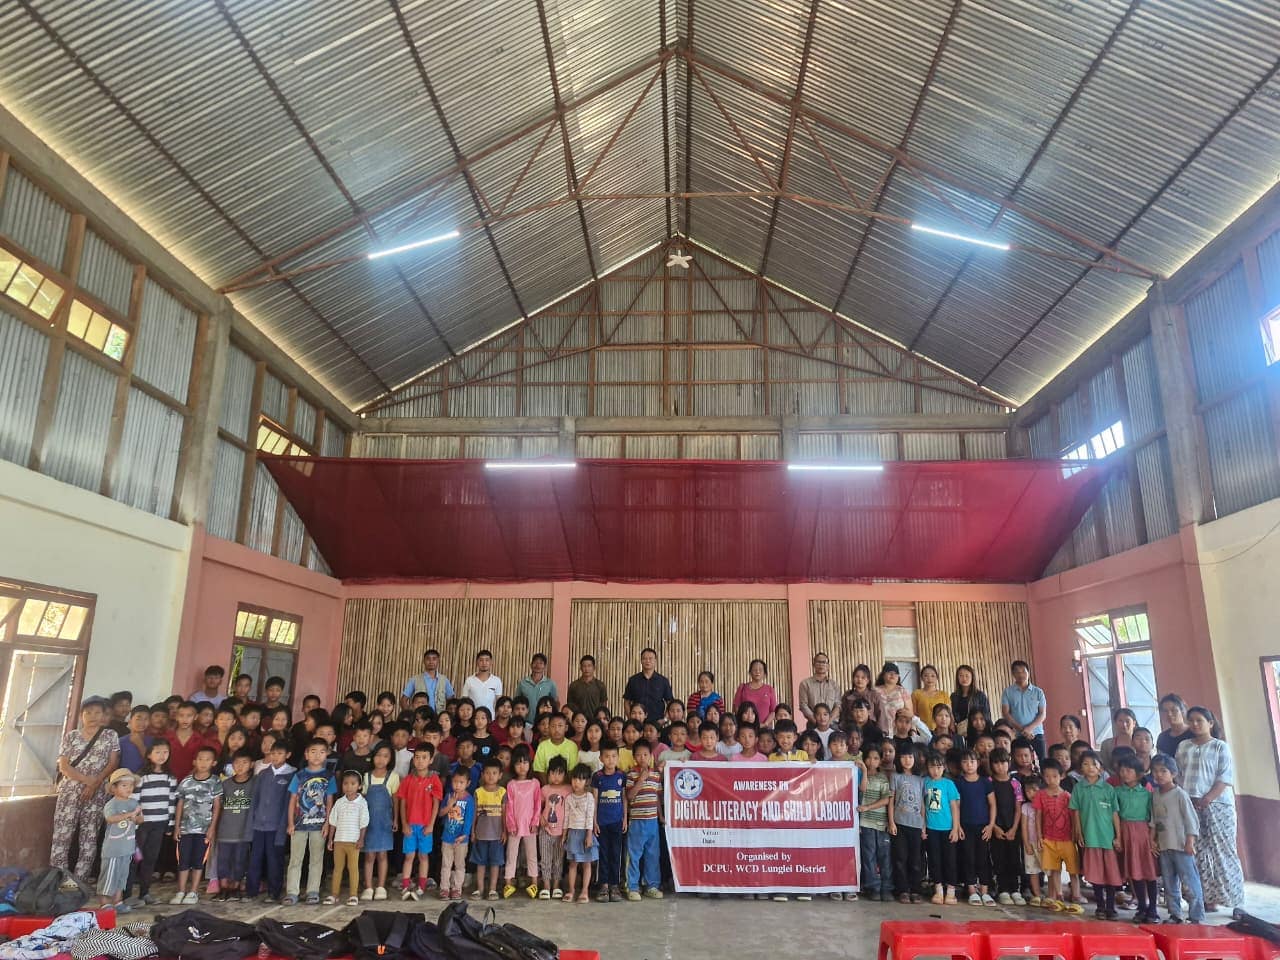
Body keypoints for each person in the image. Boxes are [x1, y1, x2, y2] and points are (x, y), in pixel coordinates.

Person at [1175, 706, 1244, 910]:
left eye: (1200, 720)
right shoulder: (1183, 746)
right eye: (1191, 721)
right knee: (1198, 852)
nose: (1195, 724)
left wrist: (1207, 798)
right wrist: (1188, 799)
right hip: (1190, 804)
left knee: (1223, 851)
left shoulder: (1220, 747)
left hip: (1218, 805)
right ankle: (1207, 898)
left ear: (1210, 723)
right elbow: (1177, 774)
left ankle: (1235, 900)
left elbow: (1225, 777)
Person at [52, 697, 121, 880]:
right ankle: (58, 879)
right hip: (69, 792)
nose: (92, 716)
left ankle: (77, 883)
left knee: (89, 838)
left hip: (97, 795)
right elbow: (64, 767)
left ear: (104, 715)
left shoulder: (110, 735)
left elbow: (113, 763)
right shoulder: (71, 736)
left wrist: (95, 784)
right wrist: (88, 781)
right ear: (81, 715)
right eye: (88, 712)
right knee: (61, 837)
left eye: (97, 712)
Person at [1150, 753, 1205, 924]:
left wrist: (1190, 842)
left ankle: (1196, 915)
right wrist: (1153, 840)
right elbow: (1154, 820)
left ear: (1173, 773)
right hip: (1164, 846)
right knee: (1169, 882)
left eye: (1163, 771)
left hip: (1181, 846)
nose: (1159, 775)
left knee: (1190, 881)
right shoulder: (1155, 794)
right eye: (1155, 771)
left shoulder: (1180, 794)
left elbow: (1191, 820)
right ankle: (1175, 914)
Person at [1069, 749, 1122, 919]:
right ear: (1081, 769)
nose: (1090, 767)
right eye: (1086, 764)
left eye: (1094, 764)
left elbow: (1115, 814)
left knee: (1111, 874)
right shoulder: (1078, 788)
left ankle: (1111, 907)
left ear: (1101, 768)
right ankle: (1100, 906)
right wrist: (1078, 832)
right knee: (1095, 874)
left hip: (1108, 839)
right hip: (1090, 838)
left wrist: (1118, 836)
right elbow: (1076, 812)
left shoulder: (1108, 789)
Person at [284, 739, 336, 906]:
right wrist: (290, 823)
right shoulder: (299, 776)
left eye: (322, 752)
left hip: (319, 825)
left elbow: (329, 802)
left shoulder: (329, 776)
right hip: (299, 824)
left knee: (316, 859)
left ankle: (313, 891)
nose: (317, 755)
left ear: (326, 754)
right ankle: (292, 892)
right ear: (306, 754)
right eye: (313, 751)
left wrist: (327, 823)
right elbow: (292, 800)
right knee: (295, 859)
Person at [126, 740, 176, 907]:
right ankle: (127, 894)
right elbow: (134, 800)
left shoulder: (170, 777)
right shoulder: (141, 776)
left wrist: (170, 824)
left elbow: (171, 802)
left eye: (165, 752)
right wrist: (135, 822)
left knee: (150, 859)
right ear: (149, 755)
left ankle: (145, 893)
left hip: (159, 824)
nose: (162, 756)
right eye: (158, 752)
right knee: (134, 858)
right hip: (142, 826)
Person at [245, 740, 293, 902]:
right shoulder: (263, 774)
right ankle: (251, 891)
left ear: (288, 755)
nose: (275, 757)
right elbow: (255, 800)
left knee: (274, 861)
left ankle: (274, 892)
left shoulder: (291, 775)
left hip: (276, 827)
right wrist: (251, 824)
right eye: (273, 753)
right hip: (259, 825)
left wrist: (283, 827)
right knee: (255, 859)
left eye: (280, 753)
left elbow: (288, 805)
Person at [172, 745, 220, 905]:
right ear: (194, 761)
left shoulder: (215, 782)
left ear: (214, 763)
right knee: (183, 860)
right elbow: (180, 804)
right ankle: (180, 891)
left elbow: (217, 806)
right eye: (200, 759)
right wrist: (177, 826)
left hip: (204, 830)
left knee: (198, 861)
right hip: (185, 829)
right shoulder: (186, 781)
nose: (203, 762)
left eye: (207, 760)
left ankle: (193, 892)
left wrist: (212, 828)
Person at [1114, 753, 1160, 922]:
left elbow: (1153, 818)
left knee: (1149, 872)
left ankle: (1153, 909)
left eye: (1129, 770)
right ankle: (1142, 907)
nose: (1124, 773)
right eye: (1122, 770)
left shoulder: (1147, 794)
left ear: (1139, 773)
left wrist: (1154, 839)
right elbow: (1115, 814)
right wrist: (1118, 837)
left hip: (1144, 834)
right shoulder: (1117, 792)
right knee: (1135, 873)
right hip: (1126, 832)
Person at [1034, 759, 1083, 911]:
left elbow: (1074, 817)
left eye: (1054, 776)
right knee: (1054, 870)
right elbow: (1038, 817)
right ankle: (1058, 897)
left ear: (1061, 776)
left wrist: (1076, 834)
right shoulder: (1040, 795)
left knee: (1073, 870)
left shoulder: (1068, 796)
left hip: (1067, 839)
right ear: (1043, 777)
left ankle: (1076, 897)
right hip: (1049, 839)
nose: (1051, 780)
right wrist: (1039, 836)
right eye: (1047, 776)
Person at [398, 742, 443, 900]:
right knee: (409, 856)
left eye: (424, 757)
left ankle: (421, 886)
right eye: (417, 757)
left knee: (423, 857)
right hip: (410, 825)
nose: (420, 761)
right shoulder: (407, 780)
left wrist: (431, 825)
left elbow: (436, 804)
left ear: (431, 760)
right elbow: (402, 804)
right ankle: (405, 885)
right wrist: (404, 824)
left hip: (425, 827)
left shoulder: (434, 779)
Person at [98, 769, 142, 913]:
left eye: (131, 785)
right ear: (114, 788)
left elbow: (141, 819)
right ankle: (105, 903)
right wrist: (129, 815)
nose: (129, 788)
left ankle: (118, 902)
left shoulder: (134, 803)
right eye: (124, 785)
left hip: (127, 848)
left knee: (122, 877)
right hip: (113, 850)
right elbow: (110, 818)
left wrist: (137, 818)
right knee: (109, 876)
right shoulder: (112, 804)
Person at [956, 749, 996, 906]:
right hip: (965, 827)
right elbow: (956, 806)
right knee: (968, 858)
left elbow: (992, 804)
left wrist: (991, 825)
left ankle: (985, 891)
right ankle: (972, 891)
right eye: (965, 762)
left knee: (983, 858)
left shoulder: (985, 782)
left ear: (978, 763)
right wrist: (958, 826)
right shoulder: (959, 783)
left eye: (972, 761)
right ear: (961, 764)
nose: (969, 765)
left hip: (983, 827)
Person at [624, 741, 663, 900]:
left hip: (652, 821)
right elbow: (629, 796)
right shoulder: (631, 775)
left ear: (651, 756)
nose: (642, 758)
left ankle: (651, 885)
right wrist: (641, 780)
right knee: (634, 855)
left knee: (653, 855)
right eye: (638, 755)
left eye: (645, 754)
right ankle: (632, 886)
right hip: (637, 822)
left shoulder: (656, 775)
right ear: (634, 757)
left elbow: (657, 798)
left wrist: (660, 816)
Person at [360, 744, 399, 901]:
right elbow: (362, 801)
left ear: (390, 759)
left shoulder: (393, 777)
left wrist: (396, 819)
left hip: (384, 822)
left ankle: (381, 886)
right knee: (369, 855)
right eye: (378, 755)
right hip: (368, 823)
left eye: (385, 756)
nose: (381, 759)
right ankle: (368, 887)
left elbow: (395, 801)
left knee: (382, 854)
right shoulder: (366, 776)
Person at [502, 745, 541, 899]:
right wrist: (511, 824)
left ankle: (534, 883)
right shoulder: (511, 784)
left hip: (530, 826)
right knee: (511, 855)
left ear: (530, 764)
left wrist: (535, 822)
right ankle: (508, 883)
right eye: (518, 763)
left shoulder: (535, 783)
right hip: (515, 826)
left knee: (532, 855)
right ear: (513, 765)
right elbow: (509, 807)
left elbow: (537, 804)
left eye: (525, 762)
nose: (522, 766)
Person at [216, 749, 255, 902]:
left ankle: (235, 888)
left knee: (240, 861)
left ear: (251, 765)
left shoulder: (254, 784)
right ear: (232, 765)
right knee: (223, 861)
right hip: (225, 831)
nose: (240, 766)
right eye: (237, 763)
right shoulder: (225, 784)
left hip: (243, 832)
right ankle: (223, 888)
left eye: (245, 762)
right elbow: (218, 808)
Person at [988, 748, 1025, 905]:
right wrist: (994, 827)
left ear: (1009, 763)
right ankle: (1002, 889)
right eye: (996, 763)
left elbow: (1018, 808)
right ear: (991, 765)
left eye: (1003, 762)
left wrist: (1014, 828)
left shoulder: (1015, 783)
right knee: (999, 858)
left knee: (1014, 858)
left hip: (1012, 828)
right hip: (996, 828)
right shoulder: (989, 782)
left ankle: (1015, 889)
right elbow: (988, 807)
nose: (1000, 766)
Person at [326, 771, 369, 906]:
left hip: (353, 842)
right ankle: (334, 894)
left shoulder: (362, 803)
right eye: (345, 783)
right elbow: (333, 822)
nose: (349, 787)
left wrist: (361, 839)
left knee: (353, 868)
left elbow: (364, 823)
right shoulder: (339, 802)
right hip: (339, 841)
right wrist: (330, 839)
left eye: (353, 783)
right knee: (337, 868)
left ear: (359, 786)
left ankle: (353, 895)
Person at [923, 750, 961, 905]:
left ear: (944, 767)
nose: (935, 770)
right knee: (934, 860)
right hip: (931, 829)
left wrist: (955, 828)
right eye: (932, 767)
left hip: (947, 829)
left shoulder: (948, 784)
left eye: (939, 767)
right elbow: (922, 806)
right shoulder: (924, 782)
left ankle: (951, 891)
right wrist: (923, 827)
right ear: (927, 768)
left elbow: (954, 807)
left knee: (950, 860)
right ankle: (938, 890)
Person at [592, 742, 627, 902]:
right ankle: (604, 886)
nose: (610, 759)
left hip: (617, 822)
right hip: (602, 823)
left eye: (613, 756)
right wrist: (594, 822)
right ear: (601, 758)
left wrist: (625, 818)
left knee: (616, 854)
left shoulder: (621, 775)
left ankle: (615, 885)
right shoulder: (597, 777)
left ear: (618, 758)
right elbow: (594, 800)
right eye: (607, 756)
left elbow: (624, 798)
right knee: (603, 854)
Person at [889, 746, 924, 904]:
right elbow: (891, 801)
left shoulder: (920, 780)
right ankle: (902, 890)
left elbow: (922, 804)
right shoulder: (895, 777)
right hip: (899, 824)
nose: (907, 760)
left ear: (915, 759)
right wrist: (891, 822)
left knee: (915, 860)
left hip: (916, 825)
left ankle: (915, 890)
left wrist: (923, 826)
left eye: (910, 757)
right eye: (903, 757)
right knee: (900, 858)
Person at [470, 759, 507, 900]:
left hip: (497, 835)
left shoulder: (503, 792)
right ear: (482, 775)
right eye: (487, 773)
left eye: (494, 773)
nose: (491, 776)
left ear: (500, 775)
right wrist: (473, 831)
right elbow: (474, 814)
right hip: (481, 834)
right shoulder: (478, 792)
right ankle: (480, 889)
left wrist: (505, 831)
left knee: (495, 863)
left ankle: (492, 889)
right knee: (480, 863)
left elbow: (505, 814)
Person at [439, 769, 475, 901]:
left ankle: (456, 889)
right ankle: (444, 888)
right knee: (446, 864)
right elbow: (441, 814)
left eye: (461, 782)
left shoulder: (469, 800)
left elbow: (469, 819)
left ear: (468, 783)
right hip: (447, 837)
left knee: (459, 865)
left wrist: (465, 834)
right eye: (455, 782)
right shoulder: (449, 796)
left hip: (461, 840)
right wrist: (449, 805)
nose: (457, 785)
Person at [562, 764, 597, 903]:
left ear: (587, 781)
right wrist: (564, 834)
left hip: (586, 833)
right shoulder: (569, 798)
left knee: (587, 864)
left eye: (581, 779)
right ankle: (571, 890)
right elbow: (566, 818)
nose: (577, 782)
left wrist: (589, 835)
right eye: (575, 778)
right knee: (573, 864)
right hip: (573, 834)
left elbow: (590, 817)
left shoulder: (589, 797)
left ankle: (584, 891)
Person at [538, 757, 571, 898]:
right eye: (552, 773)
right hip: (545, 830)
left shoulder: (568, 789)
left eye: (559, 773)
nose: (556, 777)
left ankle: (556, 886)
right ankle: (546, 886)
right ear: (548, 774)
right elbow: (537, 806)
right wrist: (540, 817)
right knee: (545, 859)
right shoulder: (545, 789)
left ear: (565, 774)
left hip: (561, 832)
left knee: (558, 860)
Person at [1000, 661, 1047, 760]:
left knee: (1042, 761)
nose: (1021, 674)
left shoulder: (1038, 692)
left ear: (1028, 672)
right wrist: (1022, 730)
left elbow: (1042, 714)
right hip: (1018, 734)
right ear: (1013, 674)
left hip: (1036, 733)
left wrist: (1029, 728)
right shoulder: (1008, 692)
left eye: (1023, 671)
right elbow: (1006, 713)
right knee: (1021, 762)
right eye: (1017, 672)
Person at [623, 648, 673, 724]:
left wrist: (665, 719)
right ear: (641, 661)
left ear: (655, 661)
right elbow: (627, 702)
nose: (647, 661)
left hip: (657, 722)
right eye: (644, 658)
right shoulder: (633, 680)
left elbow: (670, 702)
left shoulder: (663, 681)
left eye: (650, 658)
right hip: (637, 722)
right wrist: (631, 719)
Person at [533, 713, 579, 782]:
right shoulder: (542, 746)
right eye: (553, 726)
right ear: (549, 728)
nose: (556, 729)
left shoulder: (572, 746)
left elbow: (572, 771)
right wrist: (547, 787)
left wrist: (563, 787)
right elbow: (540, 771)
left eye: (560, 726)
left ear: (566, 728)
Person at [1019, 776, 1043, 906]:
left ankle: (1054, 895)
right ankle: (1037, 895)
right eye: (1028, 791)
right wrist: (1026, 843)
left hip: (1044, 843)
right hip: (1031, 843)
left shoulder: (1045, 805)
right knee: (1033, 870)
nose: (1031, 794)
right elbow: (1024, 827)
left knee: (1050, 869)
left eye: (1034, 790)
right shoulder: (1026, 807)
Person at [734, 659, 778, 728]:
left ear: (764, 673)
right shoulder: (742, 688)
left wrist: (765, 724)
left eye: (760, 669)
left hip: (765, 729)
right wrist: (745, 723)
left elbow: (773, 711)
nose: (757, 671)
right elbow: (737, 707)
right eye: (754, 669)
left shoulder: (769, 689)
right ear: (750, 672)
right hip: (746, 728)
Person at [799, 653, 841, 724]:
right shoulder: (805, 684)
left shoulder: (834, 685)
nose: (821, 665)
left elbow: (838, 705)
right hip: (813, 723)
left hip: (832, 723)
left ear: (828, 666)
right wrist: (816, 721)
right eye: (818, 662)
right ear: (813, 664)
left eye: (824, 662)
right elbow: (803, 705)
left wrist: (828, 721)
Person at [950, 665, 991, 737]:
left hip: (978, 730)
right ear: (957, 678)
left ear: (972, 678)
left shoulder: (980, 695)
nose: (964, 678)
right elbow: (952, 714)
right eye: (961, 676)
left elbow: (987, 714)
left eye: (967, 676)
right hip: (960, 731)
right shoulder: (954, 696)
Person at [1157, 694, 1194, 758]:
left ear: (1182, 711)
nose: (1169, 714)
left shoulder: (1194, 732)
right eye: (1165, 711)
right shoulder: (1162, 738)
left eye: (1173, 710)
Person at [911, 665, 948, 730]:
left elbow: (949, 714)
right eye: (926, 676)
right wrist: (914, 730)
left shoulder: (943, 694)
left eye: (932, 676)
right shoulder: (916, 694)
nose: (929, 678)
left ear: (937, 678)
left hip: (941, 730)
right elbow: (914, 715)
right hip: (922, 730)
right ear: (921, 678)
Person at [119, 706, 151, 772]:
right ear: (130, 720)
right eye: (138, 719)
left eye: (146, 719)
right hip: (126, 777)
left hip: (145, 776)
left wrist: (140, 745)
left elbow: (152, 764)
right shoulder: (120, 741)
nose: (142, 722)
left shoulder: (153, 741)